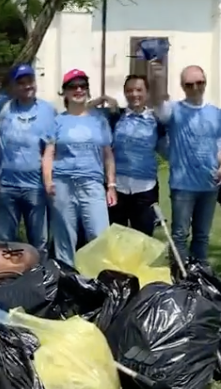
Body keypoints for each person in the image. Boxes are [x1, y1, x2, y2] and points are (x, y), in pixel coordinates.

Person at [42, 69, 117, 266]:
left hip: (92, 184)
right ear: (65, 92)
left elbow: (107, 154)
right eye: (73, 87)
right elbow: (49, 154)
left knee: (100, 235)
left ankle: (100, 281)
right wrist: (48, 181)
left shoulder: (99, 120)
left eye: (82, 86)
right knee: (65, 238)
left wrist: (111, 185)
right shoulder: (57, 121)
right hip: (63, 184)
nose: (78, 90)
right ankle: (66, 282)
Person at [150, 62, 221, 264]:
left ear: (205, 82)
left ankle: (201, 278)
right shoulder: (175, 110)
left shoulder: (216, 113)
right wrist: (156, 78)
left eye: (200, 82)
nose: (196, 87)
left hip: (209, 184)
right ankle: (180, 278)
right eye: (190, 84)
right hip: (183, 185)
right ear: (182, 86)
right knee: (180, 235)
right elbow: (156, 103)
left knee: (202, 235)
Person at [88, 75, 166, 236]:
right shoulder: (115, 116)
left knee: (143, 237)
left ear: (147, 93)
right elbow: (85, 110)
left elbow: (164, 147)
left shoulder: (155, 120)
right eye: (129, 90)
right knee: (115, 237)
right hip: (117, 188)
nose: (134, 94)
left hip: (146, 188)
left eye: (139, 90)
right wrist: (103, 98)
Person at [0, 64, 56, 252]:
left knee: (39, 241)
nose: (27, 86)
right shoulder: (3, 108)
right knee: (5, 240)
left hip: (35, 186)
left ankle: (41, 276)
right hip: (7, 185)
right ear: (13, 86)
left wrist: (49, 180)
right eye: (21, 83)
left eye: (30, 81)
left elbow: (52, 148)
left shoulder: (48, 111)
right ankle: (7, 277)